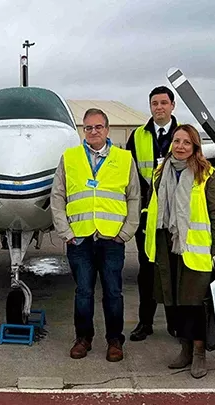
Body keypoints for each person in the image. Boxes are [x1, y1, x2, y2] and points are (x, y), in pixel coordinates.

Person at [50, 108, 140, 362]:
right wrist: (65, 232)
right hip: (80, 238)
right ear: (83, 131)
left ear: (107, 129)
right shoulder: (70, 157)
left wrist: (126, 232)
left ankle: (114, 340)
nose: (93, 132)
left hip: (112, 239)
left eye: (98, 127)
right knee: (83, 293)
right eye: (88, 128)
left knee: (113, 292)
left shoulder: (124, 159)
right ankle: (83, 338)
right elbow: (57, 196)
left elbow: (134, 197)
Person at [144, 124, 215, 379]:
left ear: (195, 147)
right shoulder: (160, 173)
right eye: (177, 141)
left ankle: (200, 352)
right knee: (174, 301)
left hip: (195, 248)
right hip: (166, 245)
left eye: (186, 142)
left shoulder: (207, 176)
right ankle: (185, 349)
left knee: (194, 303)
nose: (180, 146)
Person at [125, 86, 179, 342]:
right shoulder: (137, 136)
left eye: (163, 103)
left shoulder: (184, 135)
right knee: (146, 271)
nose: (159, 108)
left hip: (176, 216)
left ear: (172, 106)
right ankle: (145, 323)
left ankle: (175, 324)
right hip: (147, 216)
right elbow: (127, 173)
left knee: (175, 270)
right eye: (154, 104)